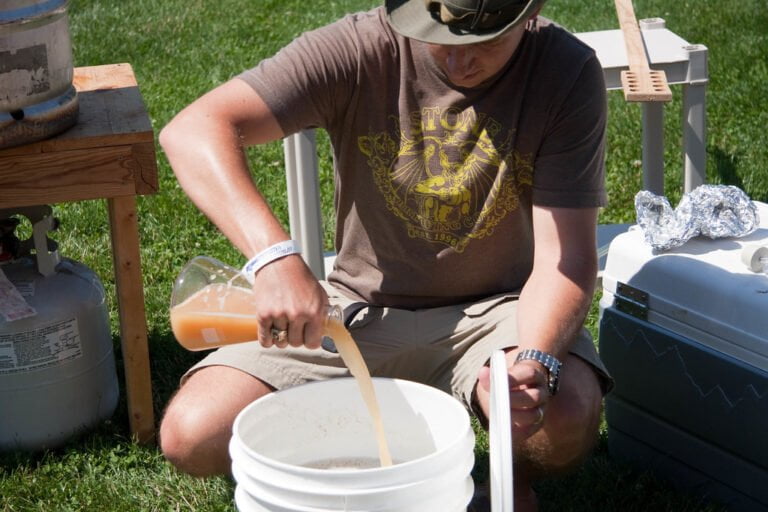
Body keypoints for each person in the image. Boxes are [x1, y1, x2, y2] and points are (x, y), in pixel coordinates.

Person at [159, 0, 613, 509]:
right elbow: (192, 130)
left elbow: (565, 258)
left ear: (529, 15)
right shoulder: (359, 48)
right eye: (444, 38)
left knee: (565, 414)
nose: (460, 63)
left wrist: (533, 359)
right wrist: (276, 259)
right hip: (356, 308)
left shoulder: (565, 71)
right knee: (190, 435)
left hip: (496, 311)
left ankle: (511, 487)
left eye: (486, 44)